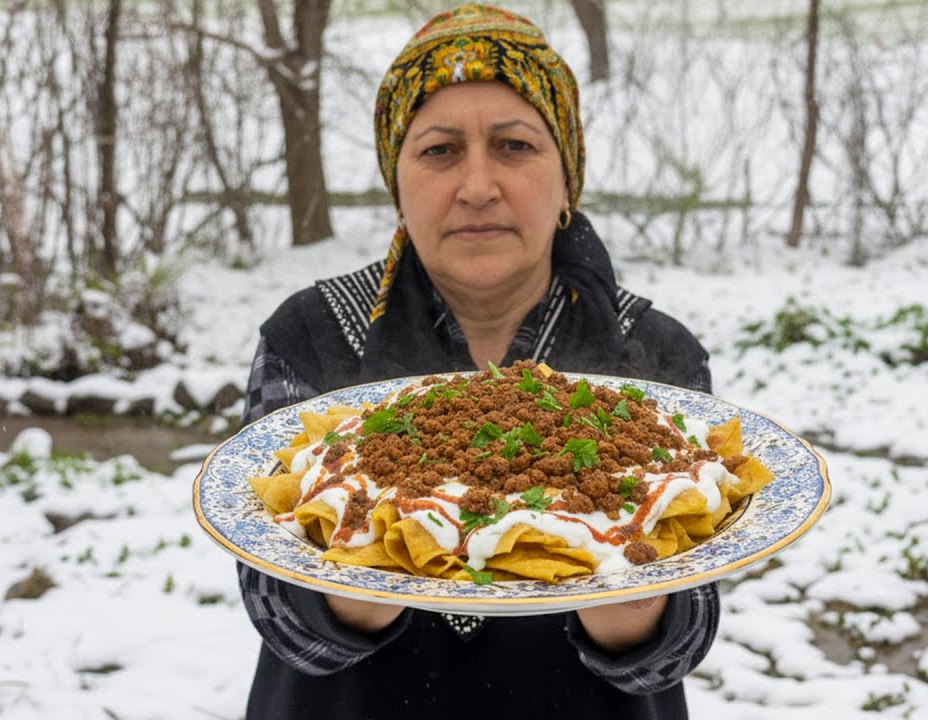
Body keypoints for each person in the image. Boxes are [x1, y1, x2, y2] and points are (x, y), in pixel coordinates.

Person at [236, 5, 718, 719]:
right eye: (439, 151)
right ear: (397, 183)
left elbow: (686, 631)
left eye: (515, 145)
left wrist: (636, 613)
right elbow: (273, 606)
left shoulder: (651, 352)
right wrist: (361, 565)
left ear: (566, 180)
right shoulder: (313, 335)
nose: (478, 186)